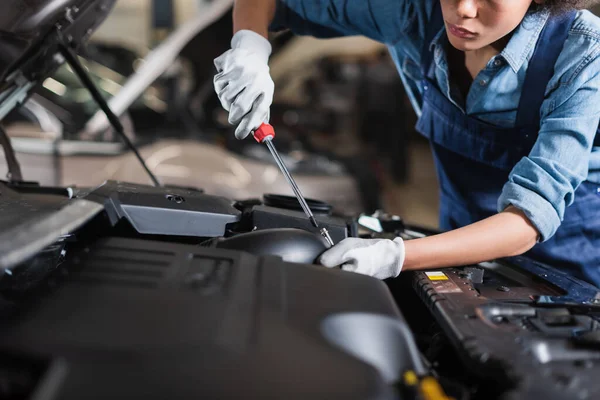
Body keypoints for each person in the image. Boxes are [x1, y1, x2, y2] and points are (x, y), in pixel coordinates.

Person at [213, 0, 600, 286]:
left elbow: (529, 219)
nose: (462, 9)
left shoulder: (582, 53)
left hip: (567, 270)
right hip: (458, 251)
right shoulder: (414, 11)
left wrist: (396, 255)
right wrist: (250, 46)